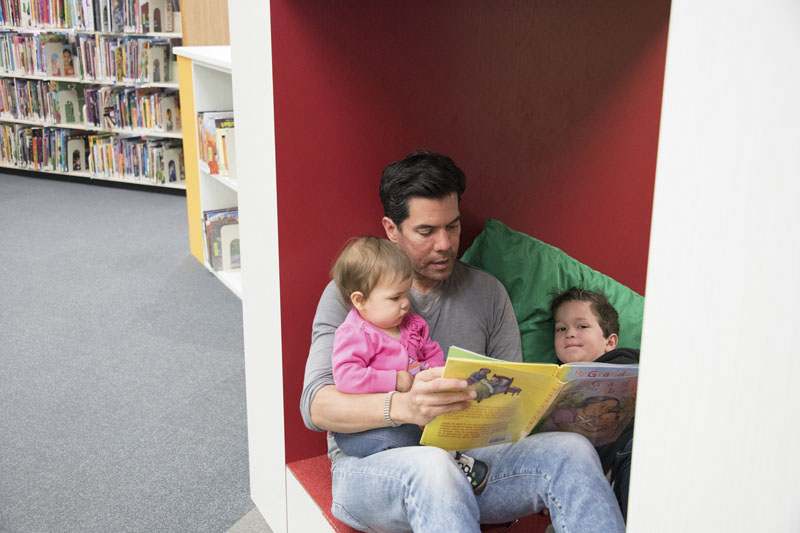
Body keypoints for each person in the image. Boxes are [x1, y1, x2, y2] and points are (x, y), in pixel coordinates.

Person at [300, 151, 626, 533]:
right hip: (372, 469)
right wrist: (404, 405)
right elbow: (316, 406)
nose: (444, 244)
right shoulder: (353, 295)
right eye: (426, 232)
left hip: (472, 464)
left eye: (452, 227)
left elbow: (513, 409)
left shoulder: (488, 294)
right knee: (433, 468)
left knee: (572, 453)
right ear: (391, 229)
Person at [329, 235, 490, 494]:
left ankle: (447, 458)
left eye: (406, 293)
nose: (405, 303)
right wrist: (395, 379)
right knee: (402, 437)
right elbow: (347, 376)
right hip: (361, 430)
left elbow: (432, 352)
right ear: (360, 301)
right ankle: (452, 464)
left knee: (439, 424)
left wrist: (438, 374)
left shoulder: (412, 324)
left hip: (412, 416)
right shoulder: (355, 333)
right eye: (395, 298)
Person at [551, 286, 640, 521]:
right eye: (561, 328)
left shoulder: (625, 361)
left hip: (634, 453)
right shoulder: (552, 382)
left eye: (582, 326)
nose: (570, 333)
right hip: (592, 478)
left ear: (609, 341)